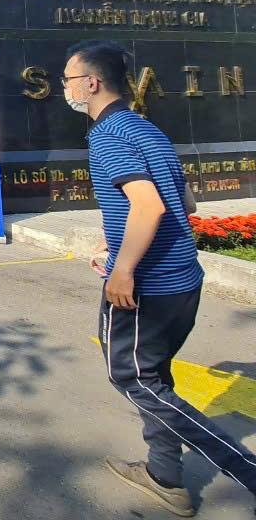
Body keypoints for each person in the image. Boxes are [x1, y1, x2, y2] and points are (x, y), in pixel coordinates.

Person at [63, 39, 256, 517]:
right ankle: (165, 476)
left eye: (68, 80)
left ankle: (248, 471)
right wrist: (116, 240)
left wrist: (123, 268)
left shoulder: (109, 136)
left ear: (92, 83)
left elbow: (149, 206)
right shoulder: (145, 128)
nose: (64, 88)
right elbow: (184, 202)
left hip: (148, 287)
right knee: (155, 375)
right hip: (183, 280)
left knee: (132, 377)